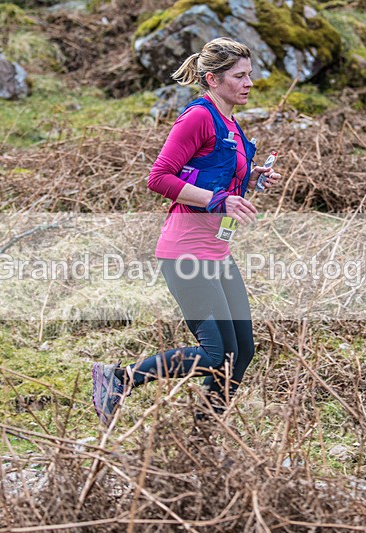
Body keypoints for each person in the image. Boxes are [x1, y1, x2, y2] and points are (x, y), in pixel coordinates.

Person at [91, 37, 281, 427]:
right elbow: (159, 178)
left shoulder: (231, 123)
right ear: (212, 79)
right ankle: (120, 377)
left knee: (242, 352)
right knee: (215, 355)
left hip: (217, 253)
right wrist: (219, 200)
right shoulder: (197, 117)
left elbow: (216, 176)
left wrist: (253, 179)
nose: (248, 83)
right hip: (185, 253)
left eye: (250, 76)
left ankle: (201, 443)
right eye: (239, 76)